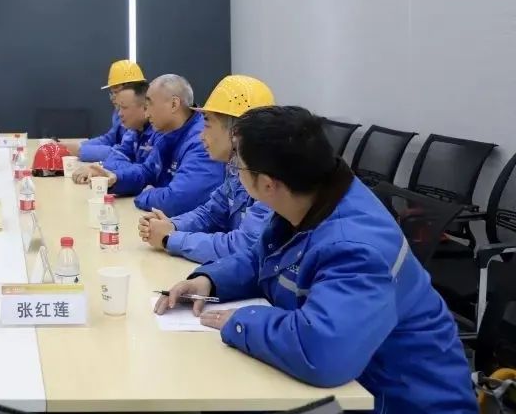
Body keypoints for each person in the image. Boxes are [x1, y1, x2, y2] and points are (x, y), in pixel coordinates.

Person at [155, 106, 477, 414]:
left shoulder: (356, 247)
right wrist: (209, 281)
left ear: (267, 184)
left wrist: (240, 320)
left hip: (396, 403)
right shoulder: (306, 197)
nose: (234, 170)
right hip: (357, 388)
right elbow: (263, 259)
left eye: (239, 164)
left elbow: (323, 351)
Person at [138, 75, 275, 263]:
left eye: (208, 125)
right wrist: (172, 225)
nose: (202, 135)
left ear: (236, 133)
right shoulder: (236, 169)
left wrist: (170, 238)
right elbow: (211, 213)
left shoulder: (272, 179)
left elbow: (244, 246)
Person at [79, 74, 223, 216]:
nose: (146, 114)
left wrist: (145, 194)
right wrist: (116, 179)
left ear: (174, 104)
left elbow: (177, 201)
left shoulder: (202, 140)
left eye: (149, 105)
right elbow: (147, 171)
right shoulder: (167, 133)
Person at [71, 81, 156, 188]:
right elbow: (118, 155)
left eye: (124, 107)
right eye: (119, 108)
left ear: (145, 107)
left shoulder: (159, 133)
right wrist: (101, 169)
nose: (119, 114)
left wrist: (109, 171)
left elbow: (147, 173)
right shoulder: (134, 131)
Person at [76, 60, 146, 162]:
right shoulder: (118, 113)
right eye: (112, 93)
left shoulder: (142, 121)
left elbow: (123, 152)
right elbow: (110, 139)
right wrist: (79, 146)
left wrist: (79, 150)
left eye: (116, 92)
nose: (113, 98)